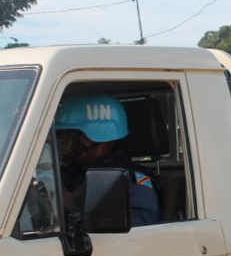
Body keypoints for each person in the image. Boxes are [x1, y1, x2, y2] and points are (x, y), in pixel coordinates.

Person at [55, 94, 159, 228]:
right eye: (61, 134)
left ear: (101, 136)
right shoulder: (69, 173)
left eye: (71, 134)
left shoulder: (131, 182)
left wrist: (73, 207)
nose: (62, 141)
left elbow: (139, 234)